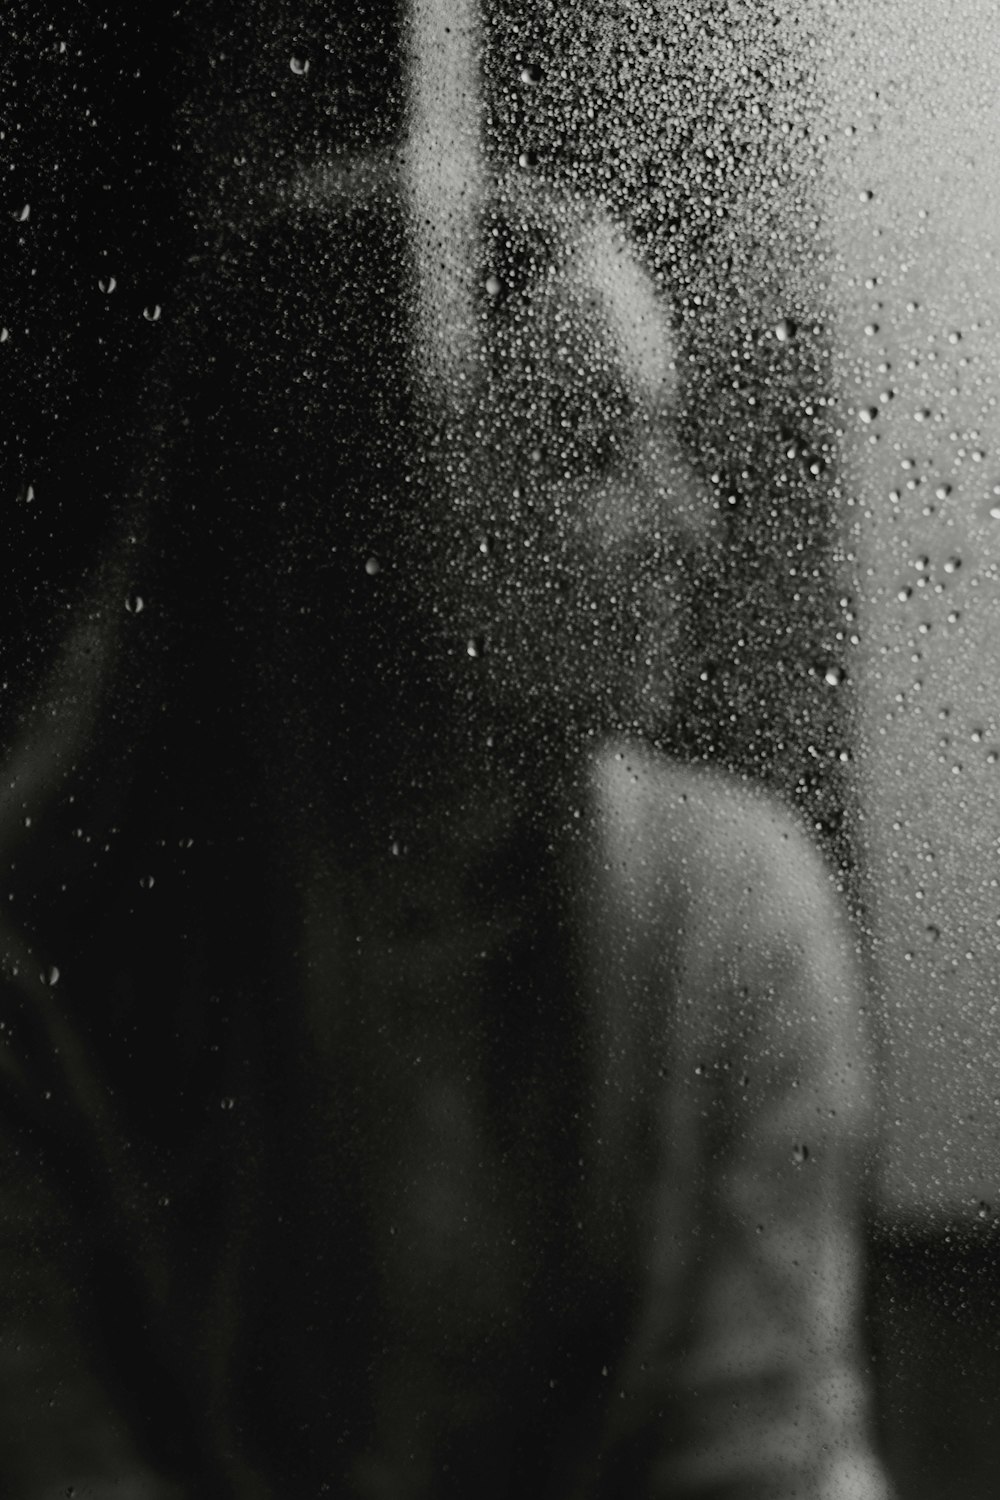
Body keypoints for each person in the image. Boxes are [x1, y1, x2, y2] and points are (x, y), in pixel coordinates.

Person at [0, 167, 891, 1500]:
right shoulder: (44, 962)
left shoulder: (730, 914)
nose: (686, 522)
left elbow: (762, 1450)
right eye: (593, 449)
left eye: (664, 439)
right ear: (369, 505)